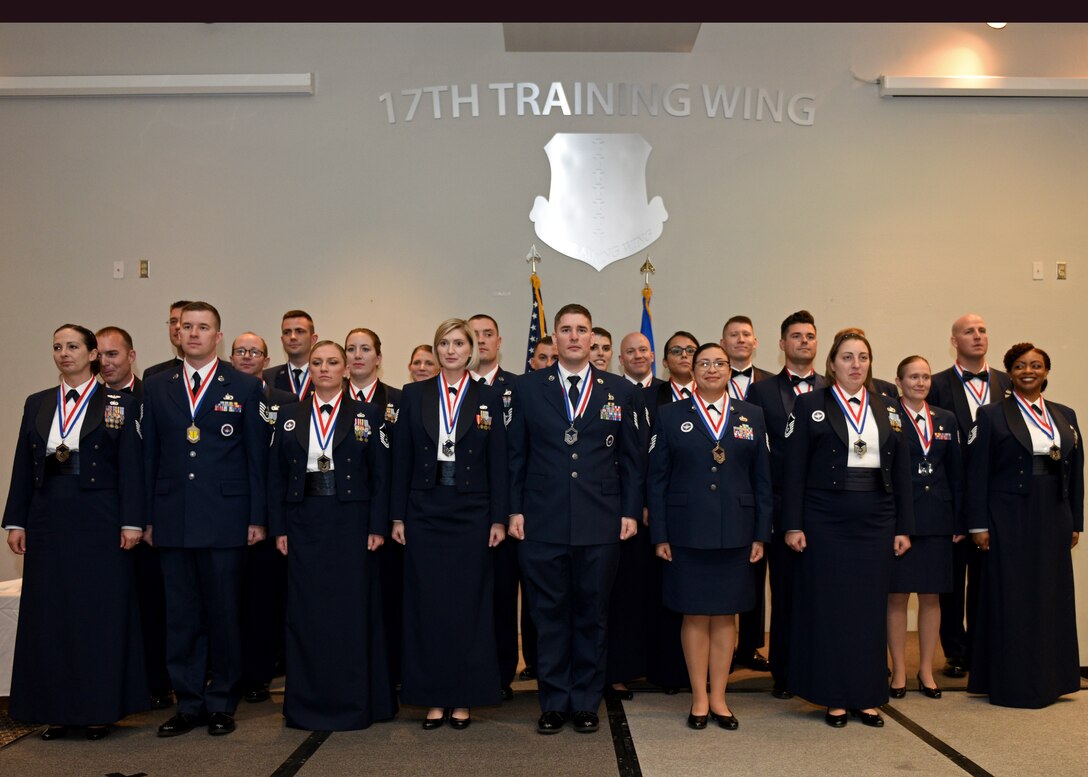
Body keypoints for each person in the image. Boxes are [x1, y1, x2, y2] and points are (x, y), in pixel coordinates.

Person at [2, 325, 147, 740]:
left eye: (72, 346)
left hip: (100, 519)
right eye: (57, 347)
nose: (64, 353)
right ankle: (57, 711)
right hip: (48, 518)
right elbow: (22, 465)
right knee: (51, 615)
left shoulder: (120, 403)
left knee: (96, 614)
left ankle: (99, 710)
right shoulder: (38, 402)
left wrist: (132, 521)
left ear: (92, 354)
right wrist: (16, 520)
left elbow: (132, 467)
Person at [508, 303, 643, 735]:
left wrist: (629, 510)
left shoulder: (618, 390)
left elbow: (632, 459)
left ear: (591, 338)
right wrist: (514, 509)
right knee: (548, 615)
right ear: (554, 337)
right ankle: (553, 701)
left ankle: (585, 701)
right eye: (565, 330)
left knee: (592, 614)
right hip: (541, 520)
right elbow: (516, 455)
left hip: (600, 519)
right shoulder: (528, 388)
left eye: (581, 330)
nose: (573, 337)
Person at [143, 301, 269, 737]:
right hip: (172, 516)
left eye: (203, 327)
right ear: (177, 333)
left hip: (226, 517)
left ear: (218, 336)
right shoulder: (156, 386)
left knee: (224, 614)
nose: (194, 334)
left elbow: (256, 458)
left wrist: (257, 516)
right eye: (187, 327)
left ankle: (222, 702)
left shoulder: (245, 385)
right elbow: (148, 456)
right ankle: (189, 703)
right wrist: (146, 517)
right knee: (181, 617)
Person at [782, 329, 913, 728]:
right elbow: (793, 470)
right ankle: (834, 697)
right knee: (831, 607)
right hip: (825, 518)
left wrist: (904, 526)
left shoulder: (889, 406)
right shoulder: (810, 404)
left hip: (877, 518)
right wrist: (793, 524)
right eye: (847, 357)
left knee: (869, 609)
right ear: (832, 363)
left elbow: (902, 471)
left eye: (863, 357)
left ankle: (867, 696)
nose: (856, 365)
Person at [268, 341, 396, 729]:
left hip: (351, 523)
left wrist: (377, 526)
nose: (324, 368)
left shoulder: (369, 414)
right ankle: (307, 704)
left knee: (351, 611)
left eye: (332, 362)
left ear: (345, 369)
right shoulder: (288, 415)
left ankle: (357, 703)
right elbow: (275, 476)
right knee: (307, 613)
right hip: (303, 521)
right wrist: (279, 527)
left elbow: (382, 475)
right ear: (309, 369)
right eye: (317, 362)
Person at [648, 343, 773, 730]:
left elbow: (763, 479)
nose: (712, 369)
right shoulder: (670, 415)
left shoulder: (752, 415)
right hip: (686, 533)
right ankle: (698, 699)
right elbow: (657, 480)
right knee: (694, 615)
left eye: (720, 363)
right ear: (692, 369)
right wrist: (660, 534)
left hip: (737, 532)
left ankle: (719, 697)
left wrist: (760, 534)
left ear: (730, 370)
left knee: (725, 617)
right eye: (704, 363)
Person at [391, 319, 508, 729]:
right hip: (424, 510)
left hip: (472, 512)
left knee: (468, 606)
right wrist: (397, 514)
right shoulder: (414, 394)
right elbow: (401, 459)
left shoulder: (489, 397)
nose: (451, 350)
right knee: (426, 605)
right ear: (436, 349)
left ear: (471, 349)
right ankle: (431, 697)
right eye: (444, 343)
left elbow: (499, 461)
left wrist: (498, 518)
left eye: (459, 343)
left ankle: (464, 697)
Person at [965, 342, 1082, 708]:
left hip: (1053, 515)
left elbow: (1076, 472)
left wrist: (1076, 521)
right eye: (1019, 366)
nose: (1028, 371)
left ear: (1046, 372)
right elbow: (976, 473)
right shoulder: (991, 415)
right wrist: (977, 524)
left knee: (1050, 595)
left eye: (1035, 365)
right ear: (1010, 373)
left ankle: (1052, 679)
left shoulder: (1065, 414)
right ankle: (1011, 682)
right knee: (1012, 596)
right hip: (1008, 516)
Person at [747, 310, 826, 699]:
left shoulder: (832, 388)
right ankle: (785, 672)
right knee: (785, 592)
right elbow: (755, 454)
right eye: (796, 336)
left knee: (822, 592)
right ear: (782, 344)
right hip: (780, 506)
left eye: (809, 336)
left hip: (827, 508)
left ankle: (820, 669)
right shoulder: (760, 392)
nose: (803, 342)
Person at [928, 313, 1011, 679]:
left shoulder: (1009, 383)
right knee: (950, 580)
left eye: (982, 330)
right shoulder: (936, 384)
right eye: (968, 331)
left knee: (988, 578)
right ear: (954, 341)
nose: (977, 336)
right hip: (952, 496)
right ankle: (956, 652)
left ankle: (983, 647)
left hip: (997, 499)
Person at [97, 325, 173, 711]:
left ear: (131, 356)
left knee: (151, 605)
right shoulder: (85, 402)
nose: (105, 362)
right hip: (102, 521)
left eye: (112, 354)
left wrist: (149, 519)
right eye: (99, 354)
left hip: (149, 522)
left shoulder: (152, 396)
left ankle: (157, 683)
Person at [887, 356, 963, 700]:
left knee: (932, 598)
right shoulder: (888, 415)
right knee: (897, 596)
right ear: (899, 382)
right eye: (913, 377)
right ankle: (898, 670)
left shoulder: (945, 418)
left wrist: (959, 519)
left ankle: (926, 671)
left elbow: (956, 472)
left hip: (938, 518)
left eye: (926, 377)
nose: (920, 383)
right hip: (901, 518)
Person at [230, 332, 296, 704]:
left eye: (254, 352)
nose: (247, 357)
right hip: (228, 512)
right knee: (228, 599)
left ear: (266, 360)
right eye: (240, 351)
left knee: (263, 600)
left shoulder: (285, 401)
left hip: (271, 515)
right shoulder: (219, 396)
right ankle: (227, 672)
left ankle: (258, 674)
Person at [344, 327, 404, 688]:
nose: (357, 355)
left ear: (378, 358)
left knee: (388, 596)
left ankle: (390, 673)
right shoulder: (326, 398)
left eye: (365, 349)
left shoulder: (399, 400)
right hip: (344, 516)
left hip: (387, 513)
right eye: (351, 349)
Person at [643, 331, 700, 693]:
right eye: (676, 351)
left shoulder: (721, 397)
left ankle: (700, 670)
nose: (684, 355)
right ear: (664, 362)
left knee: (699, 598)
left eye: (690, 350)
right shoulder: (649, 397)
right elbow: (643, 456)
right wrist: (648, 503)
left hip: (704, 512)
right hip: (664, 508)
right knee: (666, 592)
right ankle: (667, 669)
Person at [468, 314, 521, 701]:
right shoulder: (447, 388)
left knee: (502, 595)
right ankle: (468, 671)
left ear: (499, 342)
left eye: (488, 334)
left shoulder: (518, 388)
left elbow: (520, 453)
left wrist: (510, 510)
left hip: (504, 507)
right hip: (460, 510)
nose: (482, 340)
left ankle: (502, 675)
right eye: (474, 335)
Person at [720, 315, 773, 671]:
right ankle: (719, 648)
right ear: (723, 343)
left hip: (757, 485)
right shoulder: (708, 379)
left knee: (756, 570)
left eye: (746, 335)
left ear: (755, 342)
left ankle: (750, 645)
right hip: (721, 487)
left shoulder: (770, 384)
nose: (740, 339)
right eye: (733, 335)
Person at [264, 310, 318, 399]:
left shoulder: (326, 374)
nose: (293, 337)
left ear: (313, 339)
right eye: (287, 332)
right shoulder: (268, 378)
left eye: (299, 331)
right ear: (282, 340)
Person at [143, 300, 191, 379]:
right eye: (173, 321)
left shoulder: (213, 370)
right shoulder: (153, 375)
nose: (177, 326)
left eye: (184, 321)